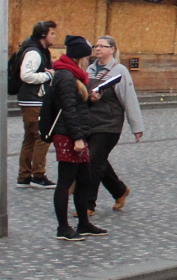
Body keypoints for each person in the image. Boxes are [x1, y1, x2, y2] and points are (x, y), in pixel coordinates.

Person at [51, 35, 107, 240]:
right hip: (68, 134)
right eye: (86, 57)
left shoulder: (75, 75)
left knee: (84, 179)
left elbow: (78, 107)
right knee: (65, 181)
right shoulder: (65, 76)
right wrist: (77, 138)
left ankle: (83, 223)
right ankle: (63, 228)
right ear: (77, 57)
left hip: (77, 132)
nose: (88, 60)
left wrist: (90, 100)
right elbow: (68, 110)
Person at [84, 36, 144, 214]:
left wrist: (137, 127)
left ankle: (88, 204)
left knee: (93, 161)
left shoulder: (119, 71)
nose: (98, 49)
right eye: (97, 46)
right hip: (90, 122)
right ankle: (119, 190)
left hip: (109, 124)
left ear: (112, 49)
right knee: (97, 160)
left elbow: (129, 99)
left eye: (103, 46)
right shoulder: (90, 69)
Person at [14, 20, 58, 189]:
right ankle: (38, 175)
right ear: (43, 35)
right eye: (52, 33)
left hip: (30, 99)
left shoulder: (35, 49)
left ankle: (24, 176)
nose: (54, 36)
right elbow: (26, 75)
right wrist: (49, 75)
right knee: (42, 136)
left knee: (30, 138)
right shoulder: (34, 52)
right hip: (34, 100)